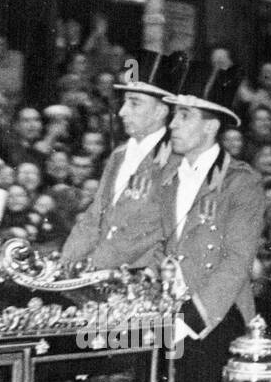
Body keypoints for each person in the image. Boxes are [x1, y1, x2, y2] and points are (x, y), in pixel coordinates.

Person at [161, 60, 265, 382]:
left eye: (183, 116)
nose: (173, 124)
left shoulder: (241, 184)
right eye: (174, 115)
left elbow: (235, 263)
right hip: (161, 318)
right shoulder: (160, 173)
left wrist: (188, 320)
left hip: (212, 324)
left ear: (211, 124)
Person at [61, 49, 183, 271]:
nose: (122, 112)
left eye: (135, 103)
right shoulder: (119, 154)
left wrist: (93, 265)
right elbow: (94, 216)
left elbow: (147, 229)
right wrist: (65, 263)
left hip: (142, 275)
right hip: (101, 272)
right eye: (125, 102)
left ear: (160, 111)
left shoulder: (175, 160)